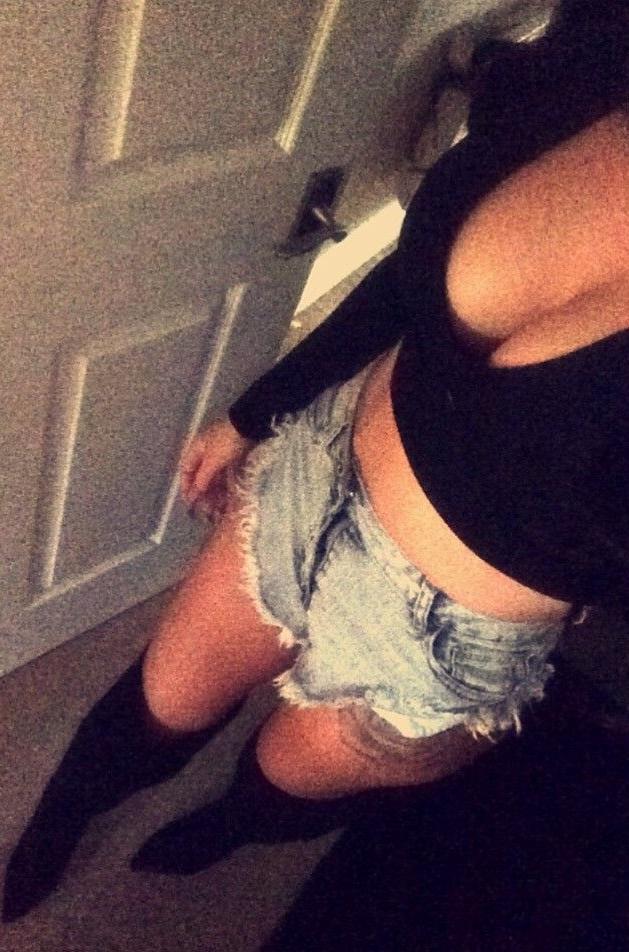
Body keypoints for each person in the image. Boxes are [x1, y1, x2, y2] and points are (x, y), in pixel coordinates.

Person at [4, 0, 629, 923]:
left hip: (453, 634)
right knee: (157, 703)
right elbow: (418, 271)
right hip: (321, 470)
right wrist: (256, 410)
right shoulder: (603, 41)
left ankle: (223, 830)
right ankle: (52, 833)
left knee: (281, 780)